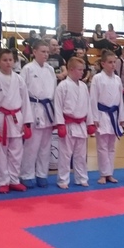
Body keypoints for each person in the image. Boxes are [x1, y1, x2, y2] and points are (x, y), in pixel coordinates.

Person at [0, 49, 32, 194]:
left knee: (17, 153)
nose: (8, 63)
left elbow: (25, 101)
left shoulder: (19, 79)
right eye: (4, 60)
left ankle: (14, 180)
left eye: (10, 60)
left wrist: (27, 123)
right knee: (2, 153)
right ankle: (2, 181)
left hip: (17, 118)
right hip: (1, 119)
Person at [19, 40, 57, 188]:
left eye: (47, 52)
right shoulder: (27, 69)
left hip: (48, 108)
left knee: (46, 146)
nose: (46, 54)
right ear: (34, 52)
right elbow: (22, 93)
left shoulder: (50, 70)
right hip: (33, 107)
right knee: (31, 145)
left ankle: (42, 174)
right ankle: (26, 174)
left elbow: (54, 91)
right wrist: (25, 115)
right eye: (43, 51)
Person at [54, 57, 94, 189]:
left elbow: (88, 106)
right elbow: (58, 106)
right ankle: (63, 180)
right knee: (65, 154)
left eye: (83, 70)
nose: (82, 72)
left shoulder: (83, 86)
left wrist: (90, 123)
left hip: (81, 124)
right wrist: (60, 124)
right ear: (71, 70)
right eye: (80, 70)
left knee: (81, 155)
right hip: (68, 124)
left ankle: (81, 178)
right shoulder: (63, 86)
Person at [90, 50, 124, 185]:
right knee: (102, 147)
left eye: (114, 62)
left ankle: (110, 173)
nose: (113, 65)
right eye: (110, 62)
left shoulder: (117, 79)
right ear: (103, 64)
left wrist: (121, 118)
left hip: (114, 115)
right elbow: (93, 99)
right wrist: (94, 118)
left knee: (112, 147)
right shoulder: (97, 78)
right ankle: (103, 174)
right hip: (102, 114)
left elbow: (120, 100)